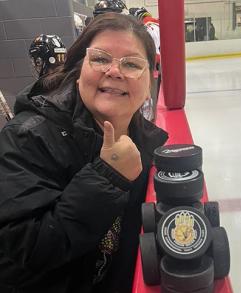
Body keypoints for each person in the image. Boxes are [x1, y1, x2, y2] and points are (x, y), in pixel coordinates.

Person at [0, 12, 168, 293]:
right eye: (100, 58)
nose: (114, 71)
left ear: (149, 82)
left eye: (131, 63)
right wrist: (109, 176)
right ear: (79, 71)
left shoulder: (146, 142)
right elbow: (30, 247)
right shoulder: (28, 135)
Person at [129, 7, 161, 122]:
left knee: (147, 97)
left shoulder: (147, 28)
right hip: (158, 65)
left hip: (150, 66)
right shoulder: (158, 24)